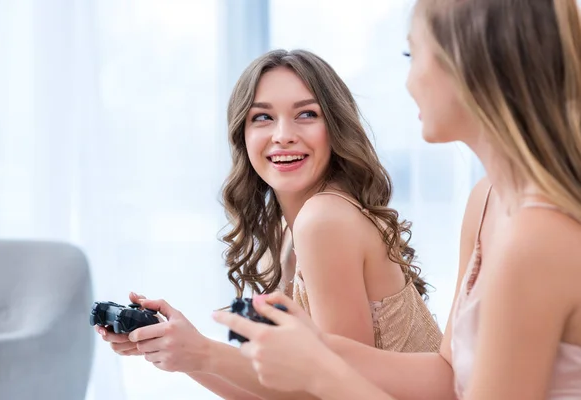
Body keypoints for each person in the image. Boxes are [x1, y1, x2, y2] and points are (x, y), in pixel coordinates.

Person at [214, 0, 581, 399]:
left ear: (473, 64)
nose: (409, 83)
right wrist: (317, 349)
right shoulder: (485, 200)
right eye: (261, 117)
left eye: (413, 54)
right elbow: (449, 376)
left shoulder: (537, 239)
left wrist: (321, 372)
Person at [96, 49, 442, 399]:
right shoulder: (284, 230)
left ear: (335, 127)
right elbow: (289, 392)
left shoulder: (324, 221)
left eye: (306, 114)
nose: (283, 135)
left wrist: (202, 352)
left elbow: (337, 389)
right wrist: (185, 356)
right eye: (262, 118)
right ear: (242, 136)